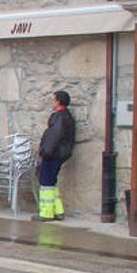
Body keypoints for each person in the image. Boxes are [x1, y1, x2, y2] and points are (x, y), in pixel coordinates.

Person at [33, 90, 75, 222]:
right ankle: (58, 210)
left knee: (45, 182)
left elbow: (54, 137)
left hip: (52, 154)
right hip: (59, 153)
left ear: (58, 101)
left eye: (53, 100)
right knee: (51, 183)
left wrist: (45, 152)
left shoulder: (60, 117)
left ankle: (46, 213)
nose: (52, 102)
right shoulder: (65, 116)